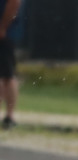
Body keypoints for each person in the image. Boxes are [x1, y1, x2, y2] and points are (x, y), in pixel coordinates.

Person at [0, 0, 22, 130]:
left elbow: (14, 3)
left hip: (6, 34)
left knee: (7, 75)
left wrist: (3, 26)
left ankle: (10, 116)